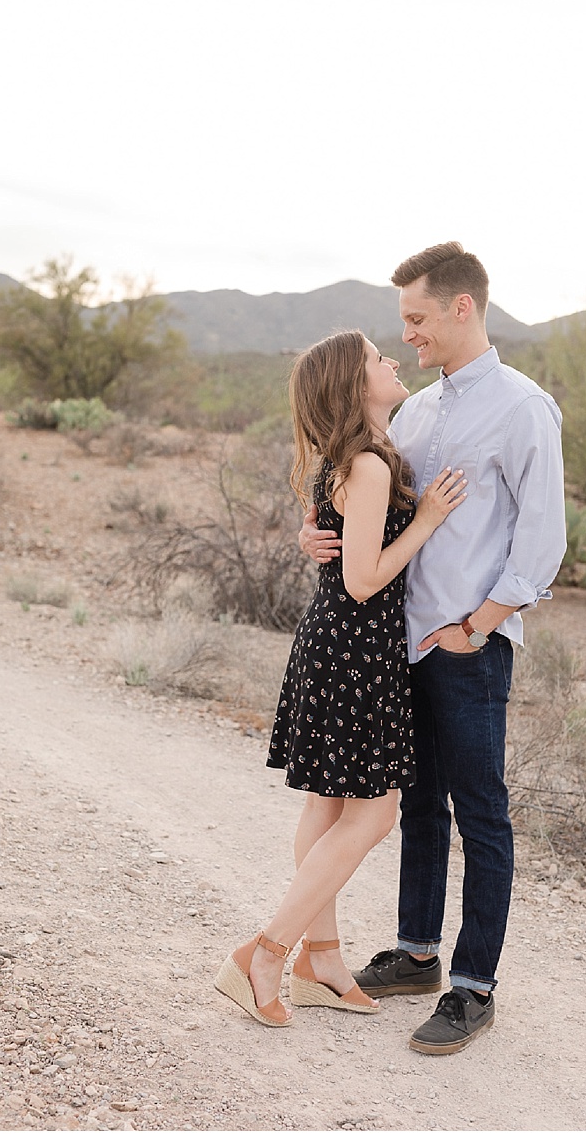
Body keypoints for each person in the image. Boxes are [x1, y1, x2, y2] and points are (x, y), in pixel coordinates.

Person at [299, 242, 566, 1054]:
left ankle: (473, 985)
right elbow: (369, 505)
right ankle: (416, 951)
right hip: (398, 646)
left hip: (469, 646)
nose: (407, 335)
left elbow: (542, 540)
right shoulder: (413, 413)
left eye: (416, 319)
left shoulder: (524, 408)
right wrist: (319, 533)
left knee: (481, 814)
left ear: (461, 308)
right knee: (417, 804)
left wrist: (478, 625)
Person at [215, 329, 467, 1027]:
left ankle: (320, 960)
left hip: (334, 646)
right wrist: (427, 520)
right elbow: (363, 579)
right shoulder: (370, 465)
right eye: (375, 359)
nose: (391, 360)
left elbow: (338, 551)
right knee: (375, 813)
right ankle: (263, 952)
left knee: (327, 809)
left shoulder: (349, 459)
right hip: (356, 649)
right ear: (357, 387)